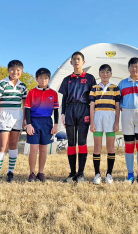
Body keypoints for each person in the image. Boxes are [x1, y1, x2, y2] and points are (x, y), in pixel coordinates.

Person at [58, 52, 96, 183]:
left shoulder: (90, 78)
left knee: (82, 142)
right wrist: (63, 113)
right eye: (74, 59)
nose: (76, 61)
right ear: (71, 63)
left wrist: (92, 117)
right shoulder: (67, 79)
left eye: (79, 59)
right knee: (71, 142)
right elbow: (63, 98)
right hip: (70, 110)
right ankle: (72, 172)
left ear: (83, 62)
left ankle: (81, 173)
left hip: (84, 110)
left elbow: (93, 100)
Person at [0, 60, 27, 184]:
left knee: (13, 144)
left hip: (18, 115)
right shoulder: (2, 84)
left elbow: (25, 104)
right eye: (12, 70)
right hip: (5, 115)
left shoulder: (23, 86)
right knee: (2, 145)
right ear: (8, 70)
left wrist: (25, 120)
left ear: (21, 72)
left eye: (18, 70)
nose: (15, 72)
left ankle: (10, 172)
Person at [25, 68, 59, 182]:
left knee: (44, 150)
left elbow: (56, 110)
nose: (43, 80)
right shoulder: (32, 92)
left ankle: (41, 172)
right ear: (36, 79)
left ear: (49, 79)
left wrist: (56, 125)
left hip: (47, 123)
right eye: (41, 78)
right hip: (34, 121)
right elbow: (27, 109)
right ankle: (32, 173)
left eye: (45, 78)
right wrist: (28, 124)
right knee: (34, 149)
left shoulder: (53, 93)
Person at [89, 64, 121, 184]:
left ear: (111, 74)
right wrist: (92, 123)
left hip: (110, 117)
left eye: (107, 72)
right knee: (97, 147)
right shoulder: (94, 88)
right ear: (99, 74)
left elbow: (117, 107)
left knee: (110, 147)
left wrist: (117, 122)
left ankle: (109, 174)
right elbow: (92, 106)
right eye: (102, 72)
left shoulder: (115, 88)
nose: (105, 74)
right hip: (98, 116)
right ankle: (97, 174)